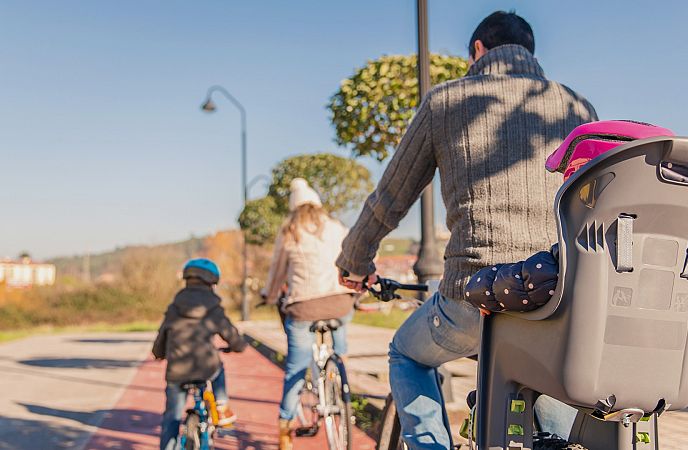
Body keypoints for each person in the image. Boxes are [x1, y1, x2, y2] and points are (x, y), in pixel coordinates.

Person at [337, 11, 598, 449]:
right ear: (528, 52)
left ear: (478, 50)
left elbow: (390, 198)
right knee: (552, 412)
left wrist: (354, 261)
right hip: (558, 296)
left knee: (406, 353)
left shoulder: (446, 102)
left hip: (474, 297)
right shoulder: (577, 106)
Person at [262, 178, 356, 450]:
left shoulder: (290, 231)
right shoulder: (337, 227)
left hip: (303, 307)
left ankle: (284, 428)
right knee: (340, 337)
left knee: (295, 367)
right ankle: (338, 377)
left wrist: (268, 296)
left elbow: (276, 272)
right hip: (339, 302)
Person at [152, 258, 248, 450]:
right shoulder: (213, 307)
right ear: (212, 282)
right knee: (218, 368)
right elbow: (229, 334)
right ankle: (221, 406)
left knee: (171, 417)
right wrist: (238, 346)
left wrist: (159, 353)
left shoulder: (175, 306)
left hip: (177, 370)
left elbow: (162, 335)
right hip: (206, 368)